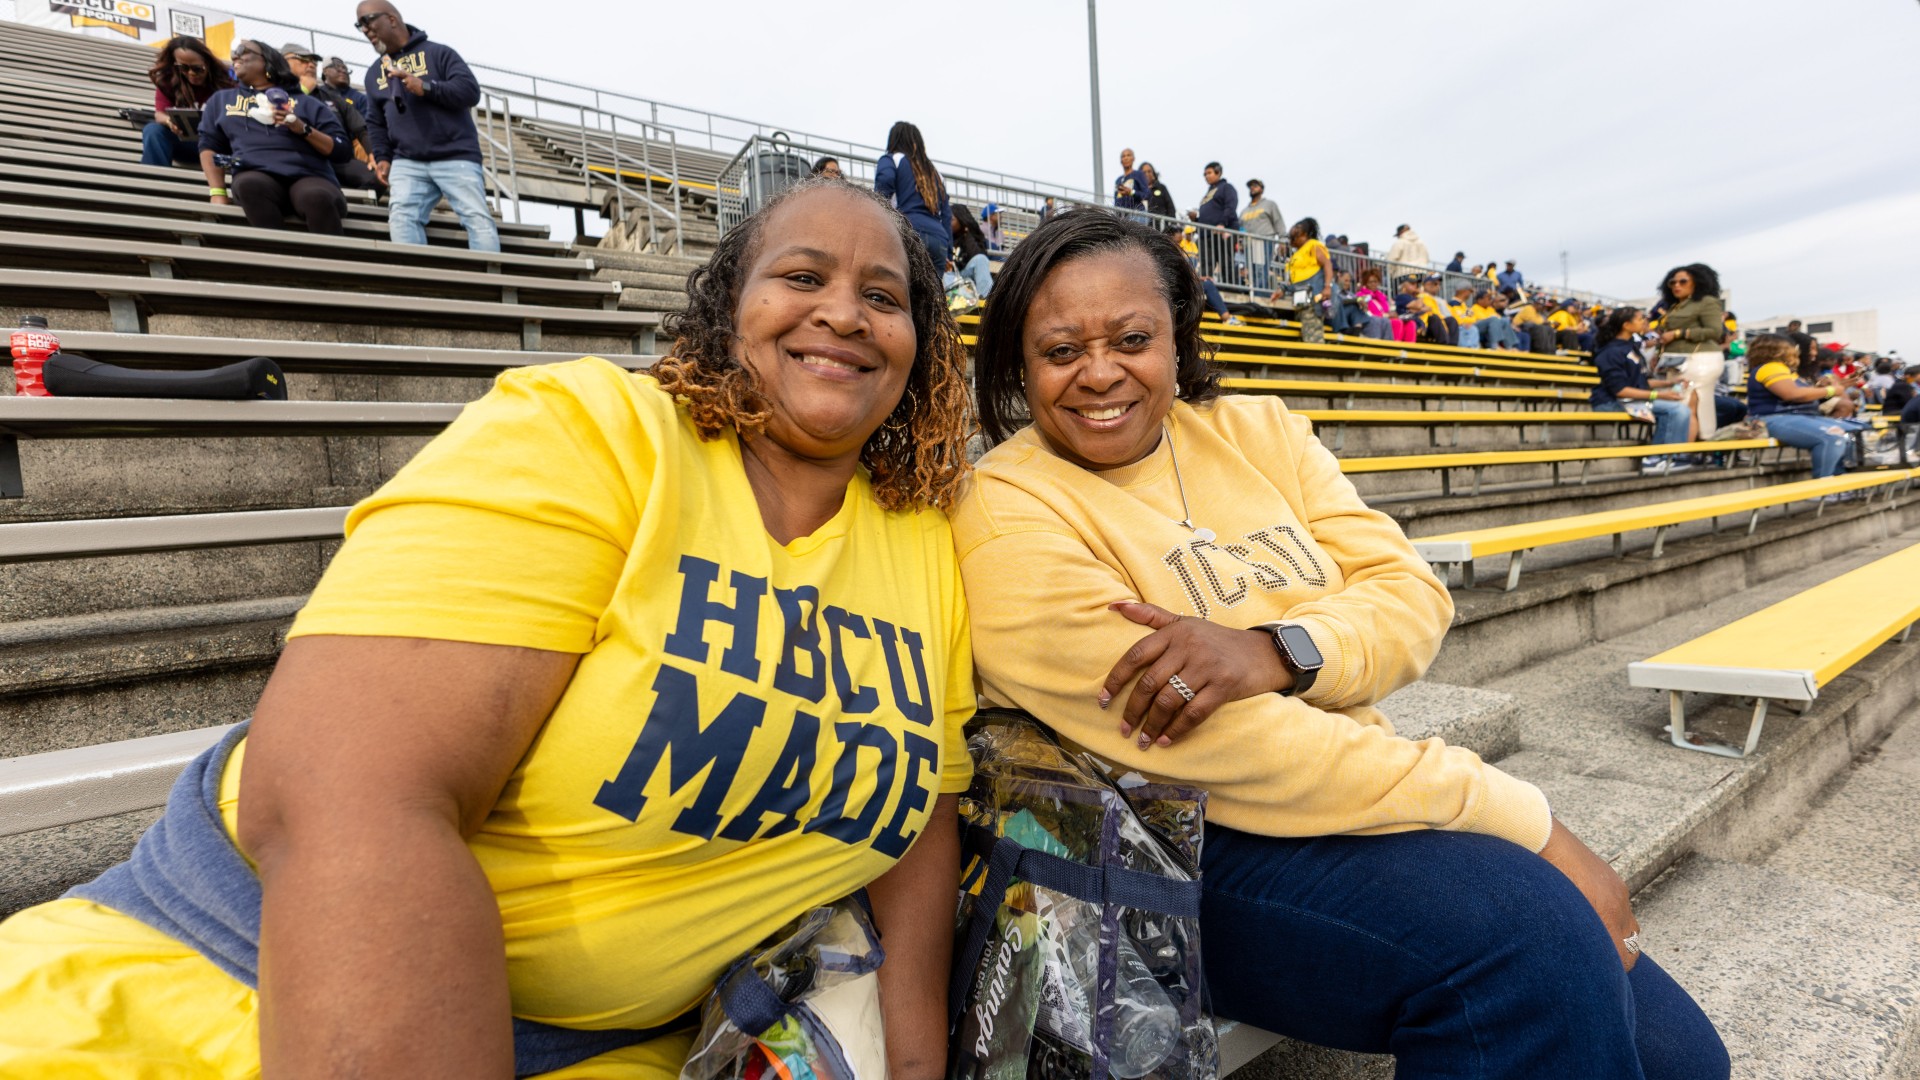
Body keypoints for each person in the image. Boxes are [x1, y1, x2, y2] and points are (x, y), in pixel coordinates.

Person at [0, 179, 978, 1078]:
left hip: (621, 1047)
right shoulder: (592, 431)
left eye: (883, 297)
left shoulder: (921, 539)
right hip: (230, 989)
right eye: (802, 277)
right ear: (730, 308)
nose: (844, 314)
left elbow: (925, 813)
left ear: (920, 344)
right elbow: (348, 797)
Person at [954, 211, 1730, 1080]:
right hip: (1179, 845)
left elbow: (1411, 596)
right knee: (1524, 946)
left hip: (1346, 788)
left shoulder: (1259, 432)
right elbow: (1212, 737)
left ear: (1177, 336)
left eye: (1132, 339)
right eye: (1061, 351)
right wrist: (1529, 824)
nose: (1100, 373)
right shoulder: (1003, 507)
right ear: (1019, 363)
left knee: (1682, 1059)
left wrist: (1281, 648)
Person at [355, 1, 499, 252]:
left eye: (367, 21)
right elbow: (375, 121)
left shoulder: (438, 53)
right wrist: (382, 157)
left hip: (455, 154)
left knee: (477, 219)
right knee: (402, 219)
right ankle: (417, 276)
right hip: (407, 160)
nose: (365, 29)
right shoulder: (373, 73)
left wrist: (426, 87)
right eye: (359, 26)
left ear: (391, 19)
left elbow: (470, 91)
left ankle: (491, 276)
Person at [198, 41, 352, 235]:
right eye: (234, 53)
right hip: (256, 175)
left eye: (243, 51)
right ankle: (278, 252)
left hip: (310, 176)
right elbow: (210, 146)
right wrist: (217, 192)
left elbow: (342, 150)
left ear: (267, 61)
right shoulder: (221, 100)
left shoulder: (308, 103)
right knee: (249, 185)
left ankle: (331, 254)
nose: (235, 56)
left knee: (315, 197)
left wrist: (302, 128)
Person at [1589, 307, 1694, 473]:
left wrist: (1670, 382)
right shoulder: (1611, 351)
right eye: (1640, 319)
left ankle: (1670, 457)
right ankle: (1657, 458)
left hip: (1629, 400)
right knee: (1676, 410)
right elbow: (1620, 390)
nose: (1644, 322)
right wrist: (1660, 395)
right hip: (1611, 403)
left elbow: (1642, 382)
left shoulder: (1631, 347)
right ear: (1626, 325)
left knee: (1679, 409)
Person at [1745, 333, 1855, 482]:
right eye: (1792, 348)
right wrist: (1831, 390)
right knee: (1831, 437)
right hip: (1772, 419)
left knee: (1851, 432)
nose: (1796, 351)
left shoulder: (1785, 370)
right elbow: (1792, 394)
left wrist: (1832, 387)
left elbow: (1804, 395)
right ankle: (1824, 488)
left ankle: (1840, 482)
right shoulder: (1770, 367)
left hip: (1797, 417)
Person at [281, 43, 384, 195]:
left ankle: (342, 206)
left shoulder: (331, 97)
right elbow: (279, 116)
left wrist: (373, 154)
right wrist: (303, 91)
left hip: (335, 159)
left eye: (313, 61)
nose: (311, 64)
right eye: (302, 59)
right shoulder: (273, 91)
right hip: (296, 156)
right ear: (283, 62)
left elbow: (361, 128)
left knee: (378, 177)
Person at [1655, 264, 1729, 440]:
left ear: (1697, 282)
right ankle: (1681, 448)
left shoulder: (1707, 302)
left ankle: (1682, 450)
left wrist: (1678, 333)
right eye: (1672, 282)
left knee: (1687, 405)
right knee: (1680, 403)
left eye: (1683, 281)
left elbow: (1714, 331)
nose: (1676, 285)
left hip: (1700, 360)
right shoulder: (1675, 306)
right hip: (1677, 361)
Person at [142, 35, 234, 167]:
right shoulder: (168, 80)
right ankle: (153, 177)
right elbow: (159, 114)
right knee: (153, 130)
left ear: (208, 63)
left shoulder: (227, 80)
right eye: (184, 68)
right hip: (190, 146)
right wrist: (170, 122)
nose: (191, 73)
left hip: (220, 147)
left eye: (198, 69)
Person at [874, 120, 952, 274]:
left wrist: (880, 223)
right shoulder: (935, 173)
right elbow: (947, 216)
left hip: (908, 230)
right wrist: (949, 253)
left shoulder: (892, 159)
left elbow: (884, 183)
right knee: (934, 288)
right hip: (939, 239)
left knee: (905, 285)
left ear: (894, 139)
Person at [1239, 178, 1284, 291]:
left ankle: (1261, 295)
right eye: (1251, 186)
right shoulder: (1244, 211)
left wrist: (1283, 239)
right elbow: (1240, 229)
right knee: (1252, 272)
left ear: (1261, 189)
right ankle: (1255, 293)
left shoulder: (1269, 205)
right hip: (1248, 245)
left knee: (1260, 271)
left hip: (1262, 242)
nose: (1252, 188)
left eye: (1255, 186)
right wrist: (1240, 242)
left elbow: (1278, 222)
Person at [949, 201, 993, 299]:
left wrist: (966, 234)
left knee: (980, 259)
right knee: (947, 274)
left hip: (965, 275)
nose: (949, 222)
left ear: (961, 220)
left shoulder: (971, 236)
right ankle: (970, 301)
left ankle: (986, 299)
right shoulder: (945, 236)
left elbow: (977, 254)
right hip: (950, 277)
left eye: (952, 219)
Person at [1350, 268, 1394, 340]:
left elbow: (1386, 309)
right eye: (1370, 282)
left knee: (1399, 322)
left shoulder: (1381, 296)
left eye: (1375, 281)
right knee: (1380, 321)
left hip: (1383, 319)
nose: (1373, 284)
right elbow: (1366, 312)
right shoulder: (1360, 295)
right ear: (1366, 283)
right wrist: (1383, 315)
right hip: (1369, 321)